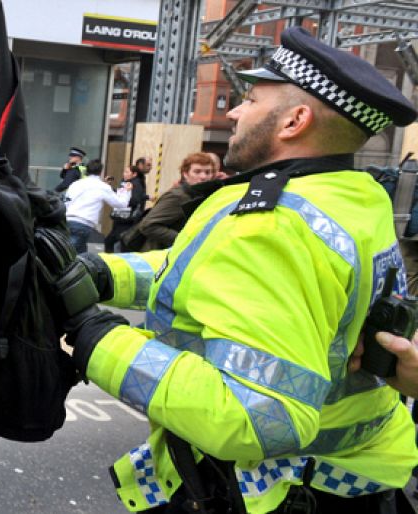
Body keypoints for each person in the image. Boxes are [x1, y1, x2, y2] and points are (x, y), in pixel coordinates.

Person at [62, 27, 418, 513]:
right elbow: (200, 272)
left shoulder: (275, 224)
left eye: (250, 99)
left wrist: (94, 335)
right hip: (355, 475)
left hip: (277, 491)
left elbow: (259, 419)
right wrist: (103, 275)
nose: (233, 111)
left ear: (294, 120)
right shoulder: (353, 194)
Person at [134, 151, 214, 250]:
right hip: (161, 258)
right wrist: (185, 241)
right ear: (185, 174)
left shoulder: (200, 195)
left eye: (208, 172)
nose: (203, 177)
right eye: (197, 172)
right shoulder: (178, 196)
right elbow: (148, 225)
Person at [65, 159, 129, 254]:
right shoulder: (103, 187)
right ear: (100, 172)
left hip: (68, 220)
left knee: (79, 254)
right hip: (84, 223)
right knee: (71, 254)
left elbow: (66, 201)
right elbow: (121, 204)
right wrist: (126, 191)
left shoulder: (76, 184)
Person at [104, 165, 147, 253]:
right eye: (124, 172)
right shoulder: (125, 183)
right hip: (120, 217)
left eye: (127, 172)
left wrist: (126, 195)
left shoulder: (135, 184)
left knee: (114, 242)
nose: (124, 174)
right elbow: (119, 194)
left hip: (127, 219)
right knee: (111, 241)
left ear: (134, 174)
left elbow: (135, 200)